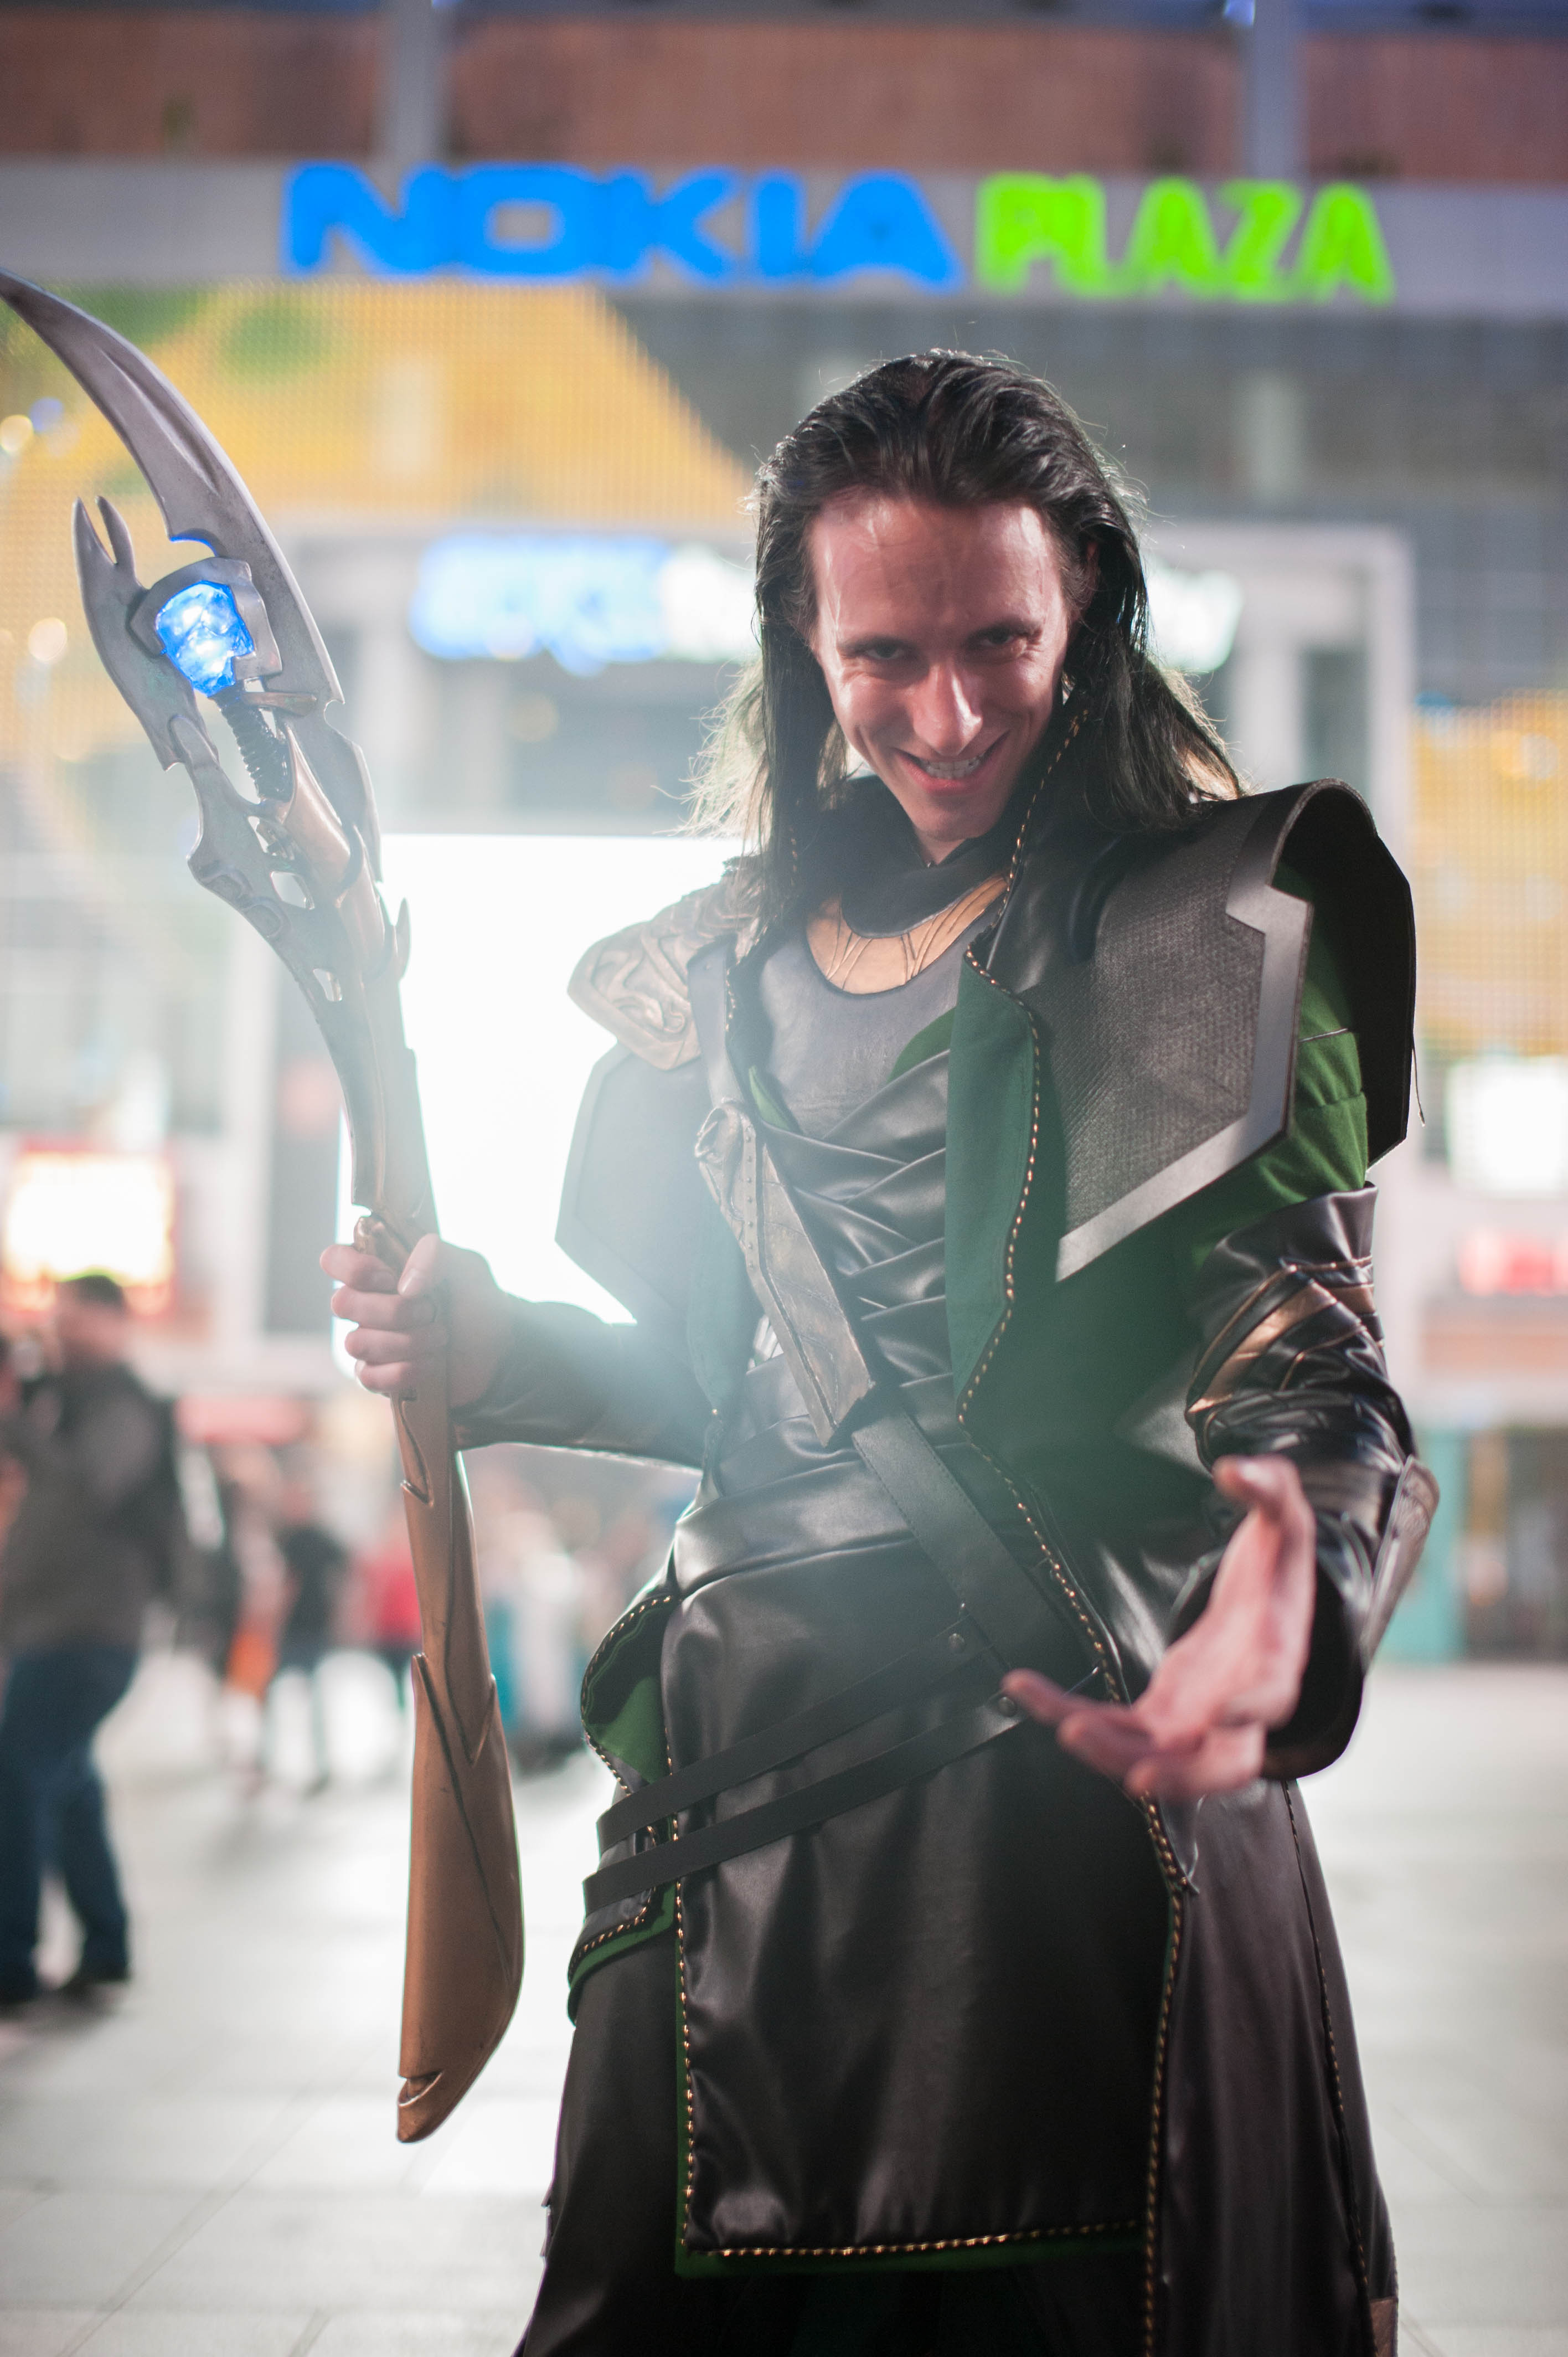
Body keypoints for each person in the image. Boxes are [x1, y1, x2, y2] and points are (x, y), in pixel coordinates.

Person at [327, 355, 1434, 2357]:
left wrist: (1296, 1584)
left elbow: (1305, 1362)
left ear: (1083, 608)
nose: (947, 712)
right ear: (802, 648)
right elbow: (729, 1388)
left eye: (998, 639)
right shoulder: (708, 979)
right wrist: (490, 1343)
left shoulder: (1210, 923)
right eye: (884, 655)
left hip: (1060, 1797)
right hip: (731, 1798)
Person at [0, 1272, 183, 2005]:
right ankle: (106, 1947)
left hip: (89, 1630)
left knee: (17, 1774)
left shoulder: (125, 1406)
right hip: (55, 1627)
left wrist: (17, 1420)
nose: (61, 1332)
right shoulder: (66, 1403)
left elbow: (83, 1489)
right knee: (67, 1780)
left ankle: (11, 1960)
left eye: (76, 1318)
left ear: (115, 1322)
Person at [264, 1480, 347, 1794]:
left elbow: (343, 1575)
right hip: (293, 1628)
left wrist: (340, 1614)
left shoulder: (317, 1539)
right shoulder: (285, 1537)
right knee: (271, 1693)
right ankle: (267, 1760)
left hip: (309, 1627)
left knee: (312, 1697)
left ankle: (318, 1764)